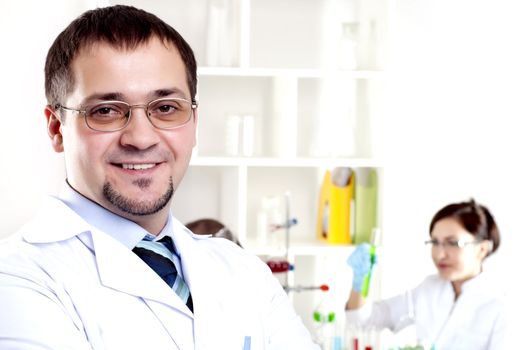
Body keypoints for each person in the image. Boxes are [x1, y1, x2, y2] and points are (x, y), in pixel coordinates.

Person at [0, 5, 319, 349]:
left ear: (194, 123)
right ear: (56, 128)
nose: (141, 138)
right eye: (106, 111)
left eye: (166, 108)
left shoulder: (243, 272)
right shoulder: (18, 279)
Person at [346, 199, 506, 349]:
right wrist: (360, 281)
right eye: (435, 242)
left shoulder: (501, 306)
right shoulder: (429, 289)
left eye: (452, 243)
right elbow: (364, 321)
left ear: (482, 249)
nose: (440, 254)